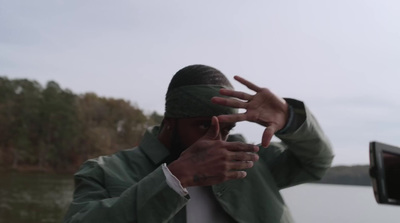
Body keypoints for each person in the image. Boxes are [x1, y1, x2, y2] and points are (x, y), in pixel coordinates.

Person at [64, 64, 334, 223]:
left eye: (227, 128)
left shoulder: (248, 160)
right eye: (205, 125)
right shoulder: (105, 171)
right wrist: (175, 178)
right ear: (170, 122)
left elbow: (316, 163)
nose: (218, 140)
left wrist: (291, 120)